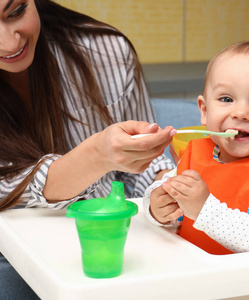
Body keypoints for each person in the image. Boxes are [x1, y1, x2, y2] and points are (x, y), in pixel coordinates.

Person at [0, 0, 175, 298]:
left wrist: (165, 186)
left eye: (16, 12)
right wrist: (95, 155)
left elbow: (140, 176)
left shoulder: (107, 54)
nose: (9, 42)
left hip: (118, 255)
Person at [143, 41, 249, 255]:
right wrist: (156, 208)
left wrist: (203, 209)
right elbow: (162, 192)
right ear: (204, 110)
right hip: (200, 273)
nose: (241, 113)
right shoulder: (196, 154)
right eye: (226, 99)